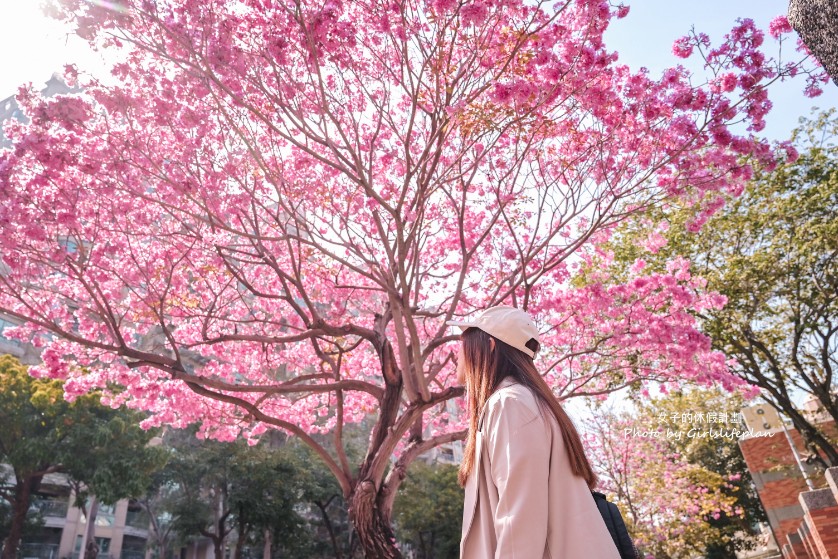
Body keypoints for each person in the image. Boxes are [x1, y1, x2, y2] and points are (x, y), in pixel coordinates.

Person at [448, 305, 621, 559]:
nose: (458, 354)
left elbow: (519, 518)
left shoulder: (509, 404)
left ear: (491, 345)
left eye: (465, 342)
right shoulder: (528, 402)